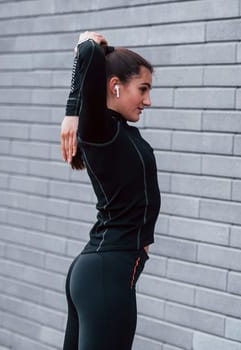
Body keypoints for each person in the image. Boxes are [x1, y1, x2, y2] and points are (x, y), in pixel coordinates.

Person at [60, 31, 160, 350]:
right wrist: (72, 112)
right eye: (142, 90)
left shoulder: (119, 131)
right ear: (116, 85)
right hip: (106, 274)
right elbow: (89, 51)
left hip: (104, 270)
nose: (148, 101)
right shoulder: (101, 129)